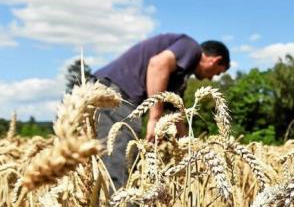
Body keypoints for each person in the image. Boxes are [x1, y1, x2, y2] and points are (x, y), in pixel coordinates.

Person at [93, 34, 230, 190]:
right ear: (215, 60)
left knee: (120, 162)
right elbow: (158, 64)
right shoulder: (191, 48)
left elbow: (177, 112)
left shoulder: (180, 75)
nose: (211, 79)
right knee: (122, 162)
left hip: (115, 93)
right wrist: (155, 118)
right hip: (114, 95)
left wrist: (187, 149)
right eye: (217, 73)